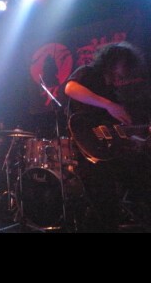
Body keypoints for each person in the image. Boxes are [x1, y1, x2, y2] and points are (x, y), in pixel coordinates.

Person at [65, 41, 151, 232]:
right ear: (111, 61)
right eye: (123, 64)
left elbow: (115, 128)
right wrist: (109, 105)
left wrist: (136, 138)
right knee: (102, 197)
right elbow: (70, 88)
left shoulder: (113, 90)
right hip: (85, 142)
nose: (124, 71)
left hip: (108, 149)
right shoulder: (88, 72)